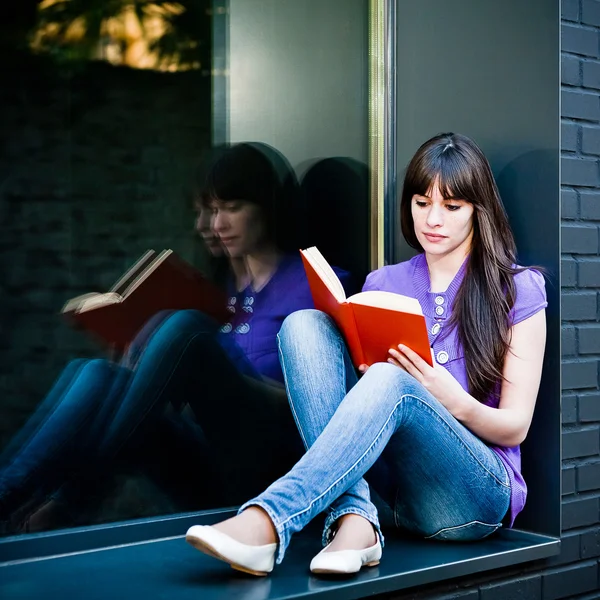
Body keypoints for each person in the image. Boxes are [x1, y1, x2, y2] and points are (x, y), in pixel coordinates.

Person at [185, 132, 548, 577]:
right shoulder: (382, 284)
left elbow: (516, 427)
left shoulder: (518, 288)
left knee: (392, 380)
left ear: (479, 210)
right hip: (389, 494)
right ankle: (356, 520)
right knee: (304, 324)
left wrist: (450, 399)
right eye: (421, 202)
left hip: (471, 496)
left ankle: (270, 519)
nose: (433, 219)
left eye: (452, 207)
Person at [0, 142, 351, 534]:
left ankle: (70, 502)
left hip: (270, 467)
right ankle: (8, 496)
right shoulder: (224, 293)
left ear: (267, 206)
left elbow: (327, 407)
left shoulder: (314, 284)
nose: (216, 225)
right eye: (211, 211)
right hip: (206, 466)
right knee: (99, 372)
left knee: (185, 327)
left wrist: (221, 371)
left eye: (231, 208)